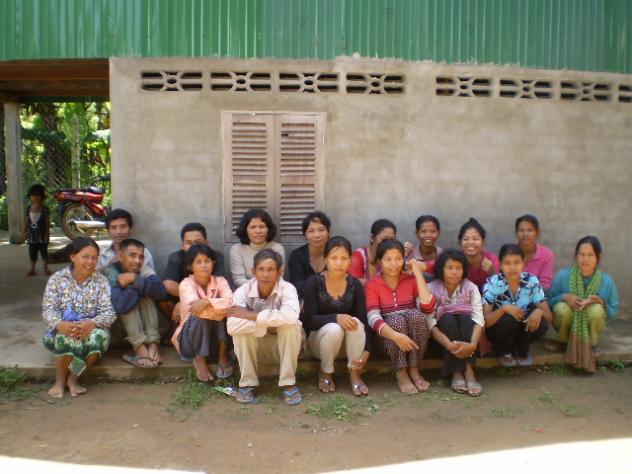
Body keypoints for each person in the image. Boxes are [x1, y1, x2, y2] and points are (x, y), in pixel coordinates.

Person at [42, 237, 116, 398]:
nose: (90, 262)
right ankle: (60, 379)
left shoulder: (101, 281)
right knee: (65, 337)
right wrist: (60, 324)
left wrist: (93, 323)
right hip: (61, 329)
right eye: (85, 256)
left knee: (99, 338)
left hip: (90, 330)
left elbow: (109, 312)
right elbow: (48, 310)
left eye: (94, 257)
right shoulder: (57, 279)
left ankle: (73, 378)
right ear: (73, 257)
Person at [227, 249, 302, 405]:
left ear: (280, 272)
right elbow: (232, 326)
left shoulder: (288, 288)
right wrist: (269, 325)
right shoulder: (243, 291)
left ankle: (288, 382)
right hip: (256, 350)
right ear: (253, 271)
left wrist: (253, 316)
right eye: (261, 269)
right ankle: (247, 383)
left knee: (292, 326)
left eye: (270, 269)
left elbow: (291, 317)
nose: (265, 274)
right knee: (240, 331)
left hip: (281, 349)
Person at [302, 236, 371, 396]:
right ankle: (325, 371)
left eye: (344, 258)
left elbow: (363, 319)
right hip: (319, 344)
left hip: (348, 346)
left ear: (350, 260)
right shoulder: (313, 282)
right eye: (334, 258)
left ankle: (354, 373)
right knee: (334, 328)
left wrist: (368, 349)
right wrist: (336, 317)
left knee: (356, 322)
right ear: (325, 259)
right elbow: (309, 320)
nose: (339, 263)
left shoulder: (355, 285)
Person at [365, 240, 436, 394]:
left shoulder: (410, 280)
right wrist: (396, 336)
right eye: (388, 259)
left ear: (404, 260)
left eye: (398, 258)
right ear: (379, 261)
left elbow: (428, 308)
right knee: (396, 320)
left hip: (412, 341)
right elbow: (372, 317)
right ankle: (400, 371)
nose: (393, 264)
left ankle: (414, 368)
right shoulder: (372, 284)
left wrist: (417, 272)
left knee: (416, 315)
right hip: (386, 341)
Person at [546, 236, 619, 372]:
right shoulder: (563, 276)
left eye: (590, 255)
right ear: (576, 255)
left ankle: (591, 343)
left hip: (590, 322)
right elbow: (548, 302)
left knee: (596, 310)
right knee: (561, 309)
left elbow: (613, 312)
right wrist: (564, 297)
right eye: (582, 254)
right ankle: (562, 341)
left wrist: (601, 302)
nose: (585, 259)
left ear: (598, 257)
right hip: (566, 321)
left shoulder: (606, 281)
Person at [482, 244, 552, 367]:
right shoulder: (493, 283)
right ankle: (503, 351)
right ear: (500, 265)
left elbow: (549, 317)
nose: (512, 268)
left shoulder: (531, 281)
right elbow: (484, 322)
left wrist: (539, 312)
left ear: (523, 263)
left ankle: (521, 351)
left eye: (517, 262)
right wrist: (504, 309)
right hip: (499, 331)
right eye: (507, 263)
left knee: (540, 320)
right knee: (510, 317)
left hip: (521, 331)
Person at [427, 249, 484, 397]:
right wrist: (449, 345)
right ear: (441, 269)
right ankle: (457, 372)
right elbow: (430, 323)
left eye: (458, 268)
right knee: (447, 318)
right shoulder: (431, 288)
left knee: (466, 319)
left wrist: (473, 345)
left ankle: (469, 370)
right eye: (450, 268)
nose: (454, 272)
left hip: (468, 338)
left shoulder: (471, 287)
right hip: (442, 341)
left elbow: (479, 320)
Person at [173, 244, 234, 382]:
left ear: (213, 263)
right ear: (190, 266)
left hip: (214, 342)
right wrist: (218, 304)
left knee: (225, 314)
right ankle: (199, 358)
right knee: (200, 316)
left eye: (207, 261)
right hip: (190, 342)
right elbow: (195, 308)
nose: (204, 265)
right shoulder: (186, 284)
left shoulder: (221, 281)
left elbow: (231, 302)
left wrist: (207, 301)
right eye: (198, 262)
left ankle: (223, 355)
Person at [104, 239, 167, 368]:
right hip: (117, 333)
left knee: (146, 294)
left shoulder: (143, 269)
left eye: (141, 257)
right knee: (131, 298)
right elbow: (122, 306)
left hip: (141, 332)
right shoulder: (111, 272)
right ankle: (140, 349)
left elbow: (161, 292)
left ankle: (152, 345)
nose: (137, 261)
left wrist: (134, 278)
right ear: (120, 256)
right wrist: (137, 285)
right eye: (132, 255)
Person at [161, 222, 226, 330]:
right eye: (188, 243)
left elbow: (218, 286)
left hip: (209, 297)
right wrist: (187, 299)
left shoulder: (216, 256)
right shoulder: (176, 257)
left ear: (206, 243)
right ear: (183, 246)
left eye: (198, 242)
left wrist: (186, 302)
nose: (193, 247)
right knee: (162, 295)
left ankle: (212, 331)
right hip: (185, 295)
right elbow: (168, 284)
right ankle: (177, 327)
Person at [229, 209, 285, 288]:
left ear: (268, 229)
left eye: (262, 227)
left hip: (272, 290)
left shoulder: (277, 248)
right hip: (246, 291)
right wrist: (261, 287)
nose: (258, 231)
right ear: (245, 230)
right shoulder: (237, 249)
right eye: (252, 227)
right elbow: (238, 280)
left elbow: (279, 277)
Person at [349, 219, 414, 283]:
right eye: (384, 239)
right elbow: (353, 283)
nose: (388, 243)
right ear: (372, 238)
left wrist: (403, 257)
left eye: (392, 239)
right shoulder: (358, 256)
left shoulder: (392, 257)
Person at [288, 211, 331, 299]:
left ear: (328, 232)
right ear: (305, 235)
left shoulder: (335, 254)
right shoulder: (297, 255)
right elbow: (297, 287)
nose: (317, 235)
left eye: (321, 230)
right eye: (311, 231)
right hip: (304, 301)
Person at [515, 214, 555, 291]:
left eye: (530, 230)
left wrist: (527, 293)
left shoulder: (546, 255)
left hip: (537, 296)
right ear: (516, 233)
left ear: (537, 233)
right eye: (521, 230)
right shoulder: (509, 253)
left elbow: (545, 285)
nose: (525, 234)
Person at [458, 217, 499, 290]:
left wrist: (492, 272)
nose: (470, 242)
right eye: (465, 239)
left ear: (483, 242)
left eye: (475, 239)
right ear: (460, 242)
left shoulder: (491, 259)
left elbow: (500, 288)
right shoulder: (455, 261)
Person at [24, 183, 51, 276]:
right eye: (32, 195)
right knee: (32, 252)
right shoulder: (28, 208)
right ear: (29, 197)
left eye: (37, 195)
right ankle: (32, 269)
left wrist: (47, 235)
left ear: (42, 196)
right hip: (32, 235)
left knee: (44, 252)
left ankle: (45, 268)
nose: (35, 197)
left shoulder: (45, 209)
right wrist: (25, 231)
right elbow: (27, 221)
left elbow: (47, 223)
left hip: (42, 234)